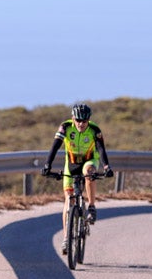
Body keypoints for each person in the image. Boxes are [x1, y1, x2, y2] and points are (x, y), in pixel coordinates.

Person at [40, 103, 112, 255]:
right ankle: (66, 238)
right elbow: (55, 146)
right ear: (73, 118)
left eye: (84, 121)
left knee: (88, 172)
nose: (81, 124)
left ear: (88, 120)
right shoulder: (65, 127)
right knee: (68, 200)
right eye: (78, 120)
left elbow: (101, 149)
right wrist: (47, 165)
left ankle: (91, 207)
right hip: (71, 164)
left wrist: (106, 167)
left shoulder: (94, 130)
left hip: (89, 160)